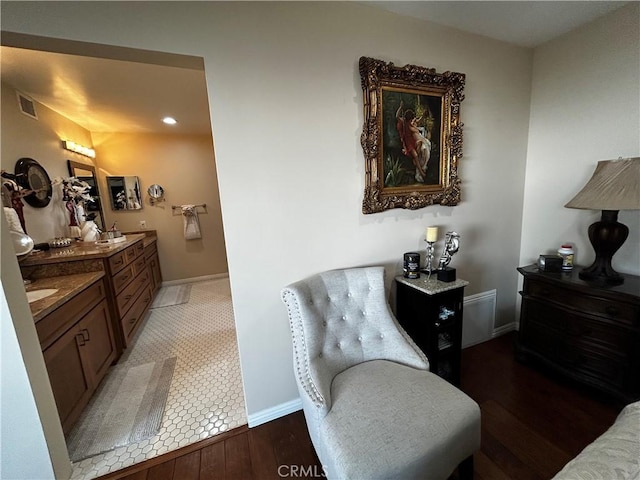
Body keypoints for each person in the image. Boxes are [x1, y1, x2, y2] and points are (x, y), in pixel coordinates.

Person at [395, 100, 432, 182]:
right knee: (415, 154)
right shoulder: (403, 122)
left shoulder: (411, 122)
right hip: (407, 142)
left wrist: (423, 115)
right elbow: (397, 116)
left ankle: (416, 161)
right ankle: (421, 172)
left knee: (420, 144)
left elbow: (419, 120)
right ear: (407, 119)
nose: (412, 121)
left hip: (412, 140)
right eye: (411, 120)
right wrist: (400, 107)